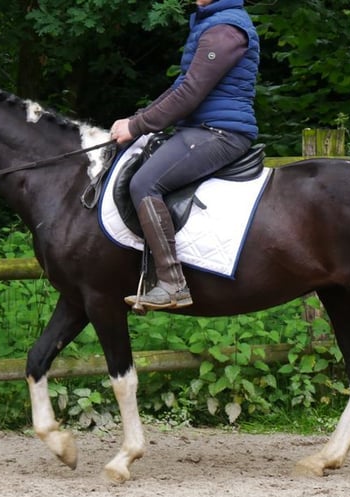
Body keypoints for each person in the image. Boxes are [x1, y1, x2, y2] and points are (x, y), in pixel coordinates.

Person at [110, 0, 259, 310]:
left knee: (144, 184)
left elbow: (191, 92)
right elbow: (180, 87)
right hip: (201, 129)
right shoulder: (211, 22)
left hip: (218, 132)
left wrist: (137, 126)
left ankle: (172, 284)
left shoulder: (226, 29)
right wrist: (140, 119)